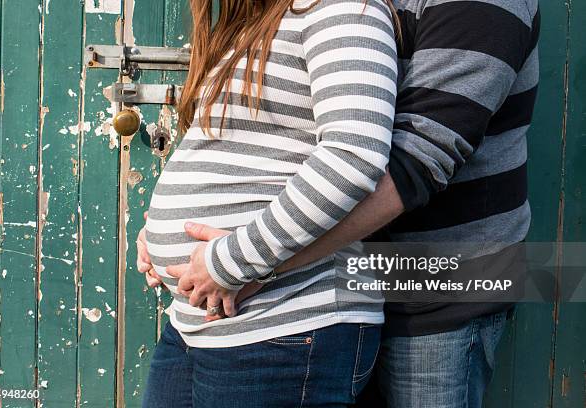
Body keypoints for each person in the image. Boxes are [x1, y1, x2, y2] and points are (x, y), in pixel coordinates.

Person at [139, 0, 541, 407]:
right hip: (333, 278)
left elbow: (415, 158)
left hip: (434, 286)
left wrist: (249, 261)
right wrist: (169, 226)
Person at [138, 0, 399, 406]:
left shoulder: (341, 7)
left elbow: (355, 154)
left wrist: (231, 261)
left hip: (286, 328)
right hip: (196, 326)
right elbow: (231, 149)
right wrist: (157, 230)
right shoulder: (253, 21)